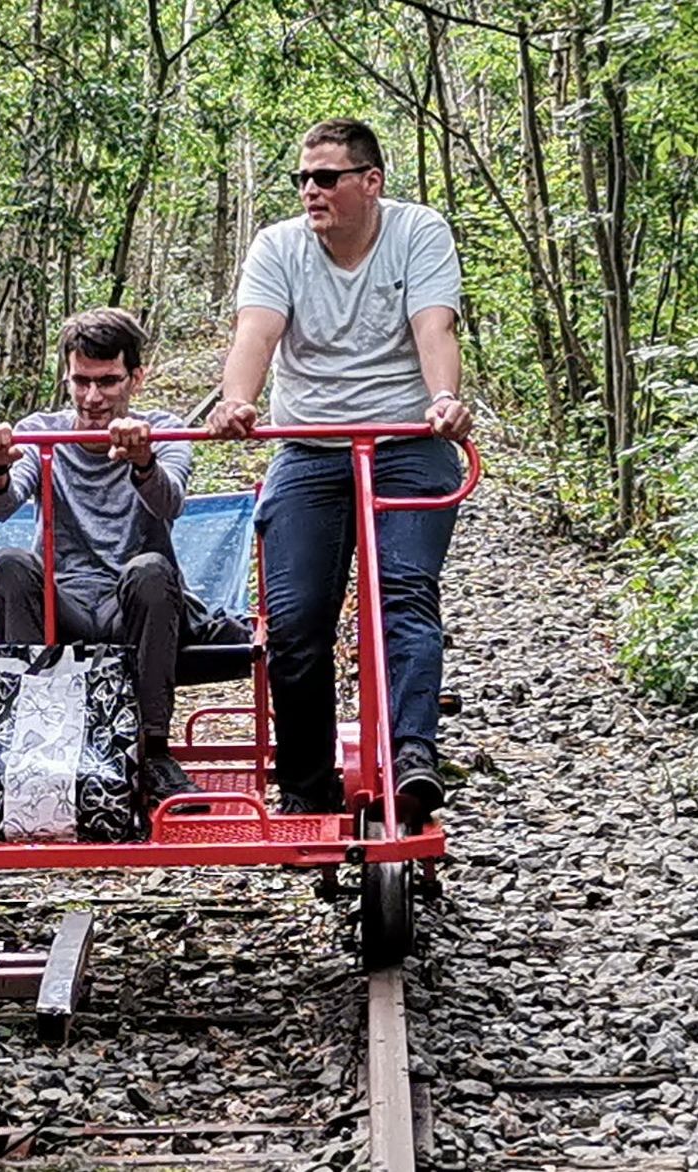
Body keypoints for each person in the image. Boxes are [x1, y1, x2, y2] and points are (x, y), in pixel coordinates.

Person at [209, 118, 473, 822]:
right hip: (310, 445)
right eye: (301, 178)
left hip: (404, 441)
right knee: (295, 621)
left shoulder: (416, 232)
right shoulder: (279, 246)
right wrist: (238, 399)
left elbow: (434, 328)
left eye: (325, 177)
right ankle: (306, 782)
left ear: (369, 182)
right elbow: (255, 334)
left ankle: (412, 753)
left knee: (403, 596)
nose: (309, 191)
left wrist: (443, 398)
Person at [0, 308, 249, 807]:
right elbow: (5, 503)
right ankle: (36, 744)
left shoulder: (163, 429)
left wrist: (143, 461)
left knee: (149, 569)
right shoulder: (42, 430)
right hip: (67, 610)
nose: (93, 397)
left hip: (139, 607)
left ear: (135, 378)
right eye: (81, 382)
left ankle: (152, 751)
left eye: (108, 382)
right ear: (67, 377)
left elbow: (171, 502)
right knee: (12, 563)